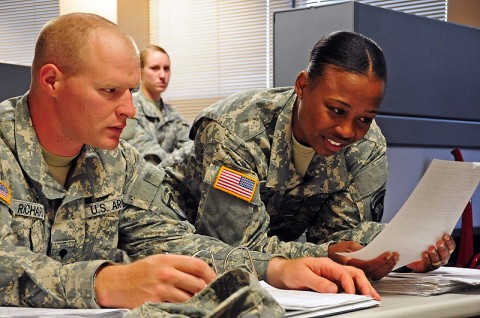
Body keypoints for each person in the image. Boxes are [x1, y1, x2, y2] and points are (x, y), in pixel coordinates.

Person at [0, 13, 380, 310]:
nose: (131, 110)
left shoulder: (119, 163)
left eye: (131, 91)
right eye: (110, 91)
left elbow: (175, 241)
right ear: (51, 81)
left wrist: (277, 268)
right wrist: (105, 282)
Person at [160, 30, 455, 280]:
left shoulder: (367, 146)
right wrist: (328, 255)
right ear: (303, 86)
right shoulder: (236, 131)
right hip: (173, 240)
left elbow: (340, 235)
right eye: (337, 110)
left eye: (364, 118)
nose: (347, 130)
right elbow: (236, 249)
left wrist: (405, 251)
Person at [121, 45, 190, 165]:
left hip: (167, 179)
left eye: (166, 68)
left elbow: (192, 146)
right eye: (155, 68)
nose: (163, 75)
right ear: (140, 71)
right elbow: (147, 154)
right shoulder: (128, 107)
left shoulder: (171, 113)